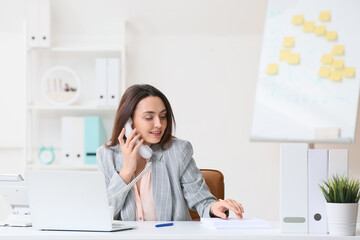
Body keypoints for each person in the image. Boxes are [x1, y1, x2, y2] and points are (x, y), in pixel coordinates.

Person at [97, 84, 244, 221]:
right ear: (128, 121)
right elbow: (101, 214)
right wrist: (126, 172)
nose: (159, 124)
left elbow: (203, 201)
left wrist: (214, 207)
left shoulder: (178, 151)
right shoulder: (107, 155)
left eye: (163, 116)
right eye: (149, 117)